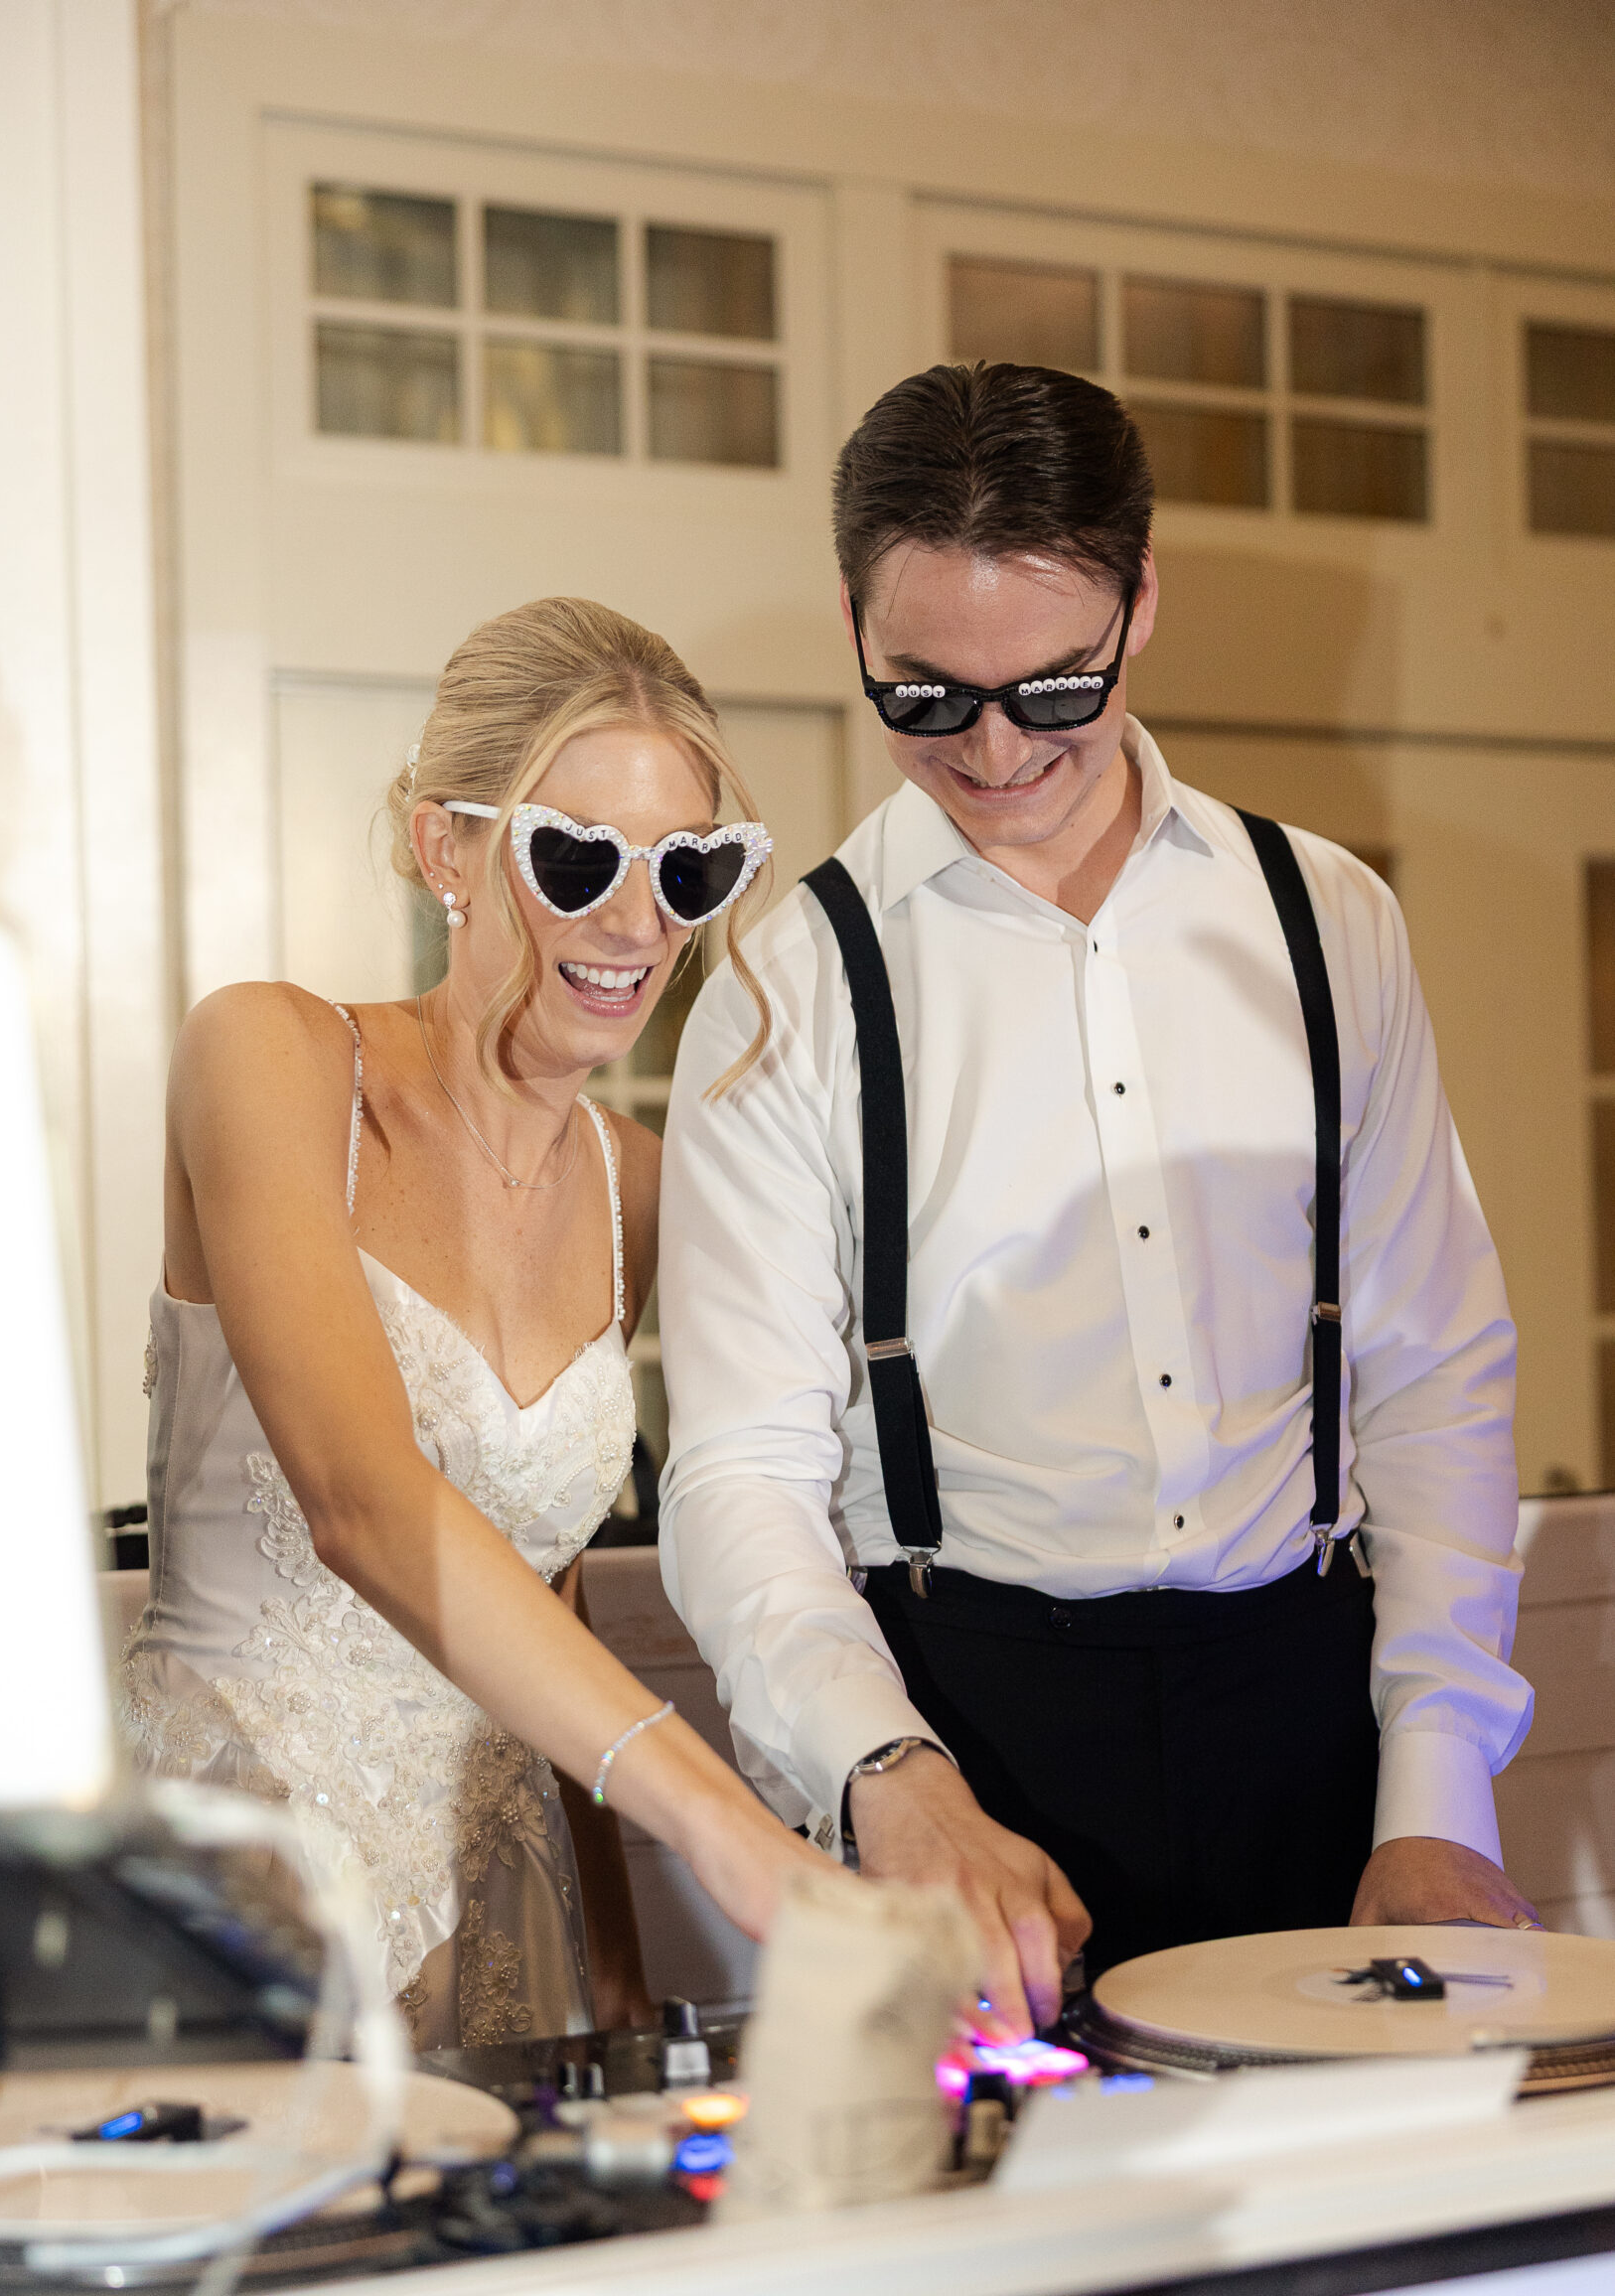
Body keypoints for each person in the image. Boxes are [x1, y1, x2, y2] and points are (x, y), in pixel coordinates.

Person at [658, 362, 1539, 2045]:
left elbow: (1432, 1373)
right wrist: (881, 1774)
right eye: (924, 697)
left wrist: (1436, 1792)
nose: (995, 753)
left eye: (1054, 688)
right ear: (855, 626)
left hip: (1316, 1735)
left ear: (1144, 608)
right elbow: (741, 1472)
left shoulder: (1326, 922)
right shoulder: (791, 991)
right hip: (964, 1752)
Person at [119, 596, 817, 2052]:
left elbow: (544, 1585)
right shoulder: (274, 1059)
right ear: (448, 846)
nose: (639, 926)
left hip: (513, 1911)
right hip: (242, 1883)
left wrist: (613, 1944)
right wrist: (726, 1831)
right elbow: (366, 1506)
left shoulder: (645, 1194)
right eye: (578, 859)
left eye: (687, 871)